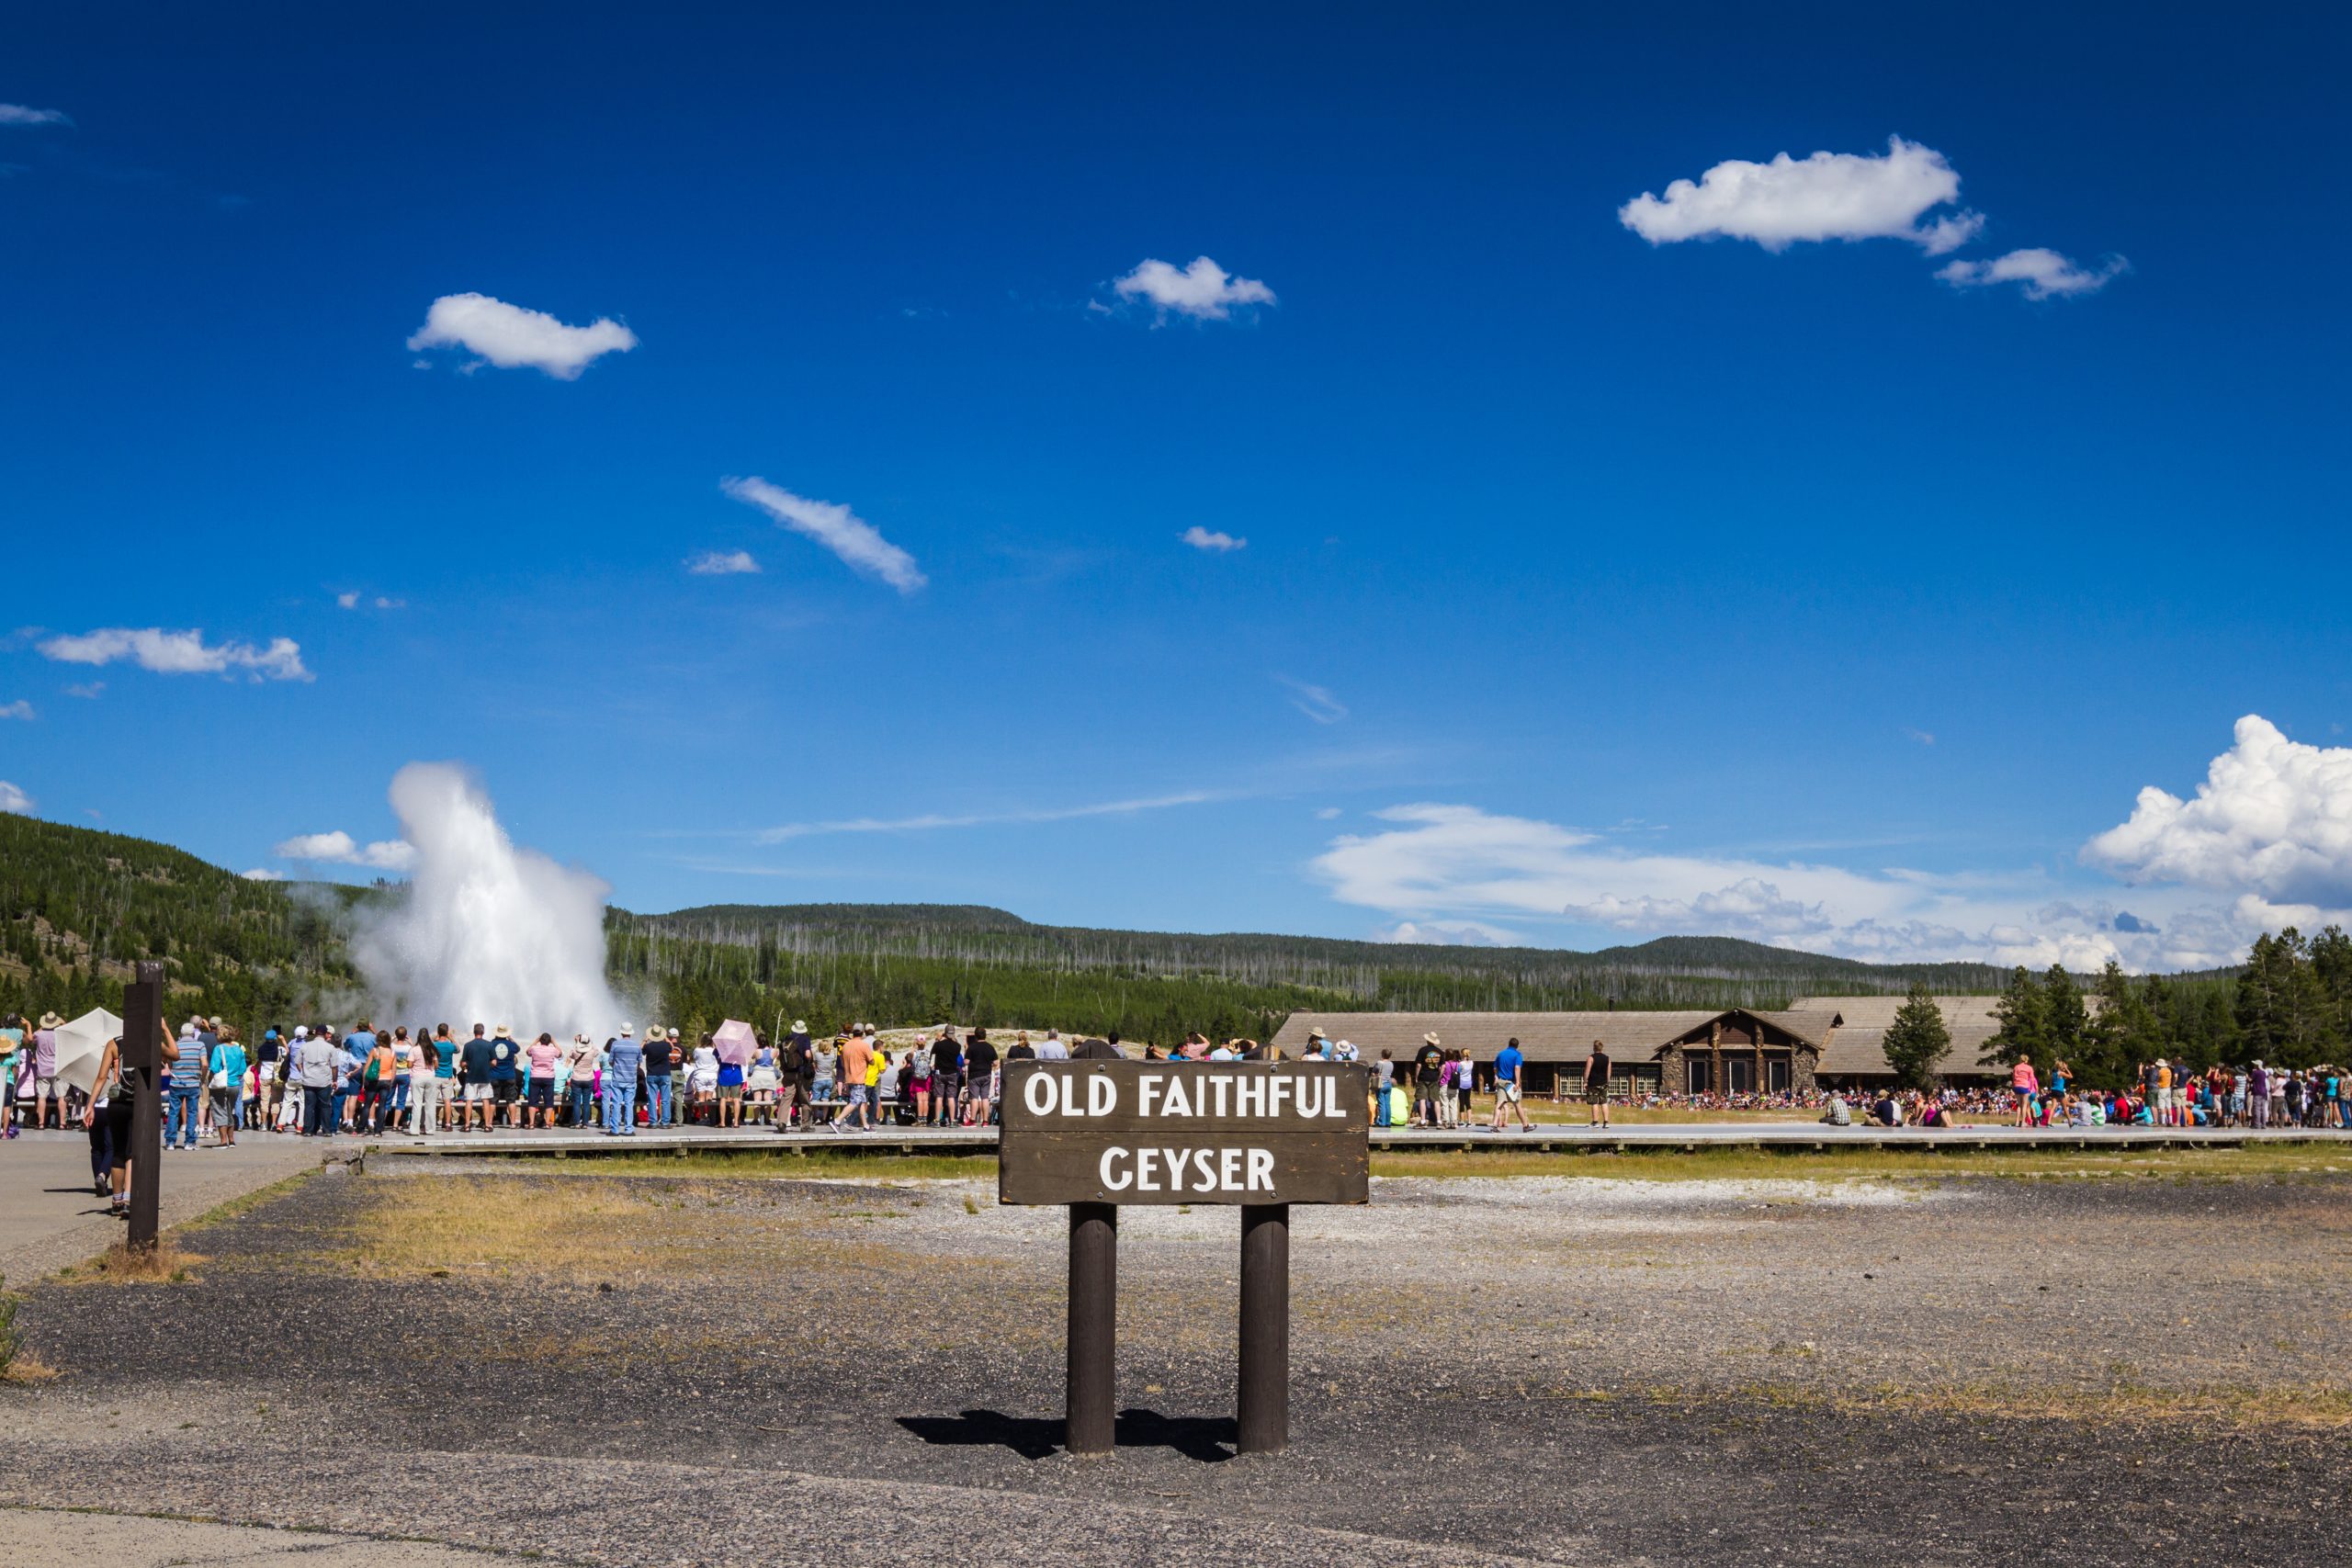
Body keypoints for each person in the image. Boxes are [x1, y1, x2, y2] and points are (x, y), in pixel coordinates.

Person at [164, 1022, 203, 1151]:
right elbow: (204, 1064)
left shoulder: (175, 1045)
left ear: (181, 1033)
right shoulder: (200, 1045)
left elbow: (169, 1064)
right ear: (193, 1033)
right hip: (193, 1082)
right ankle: (189, 1142)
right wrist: (201, 1076)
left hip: (176, 1083)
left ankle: (170, 1142)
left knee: (173, 1112)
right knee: (192, 1112)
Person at [208, 1027, 248, 1147]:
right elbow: (242, 1069)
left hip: (221, 1085)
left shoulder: (218, 1049)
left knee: (220, 1111)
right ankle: (231, 1140)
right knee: (230, 1111)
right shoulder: (238, 1049)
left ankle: (223, 1141)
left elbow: (214, 1068)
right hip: (235, 1084)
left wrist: (209, 1080)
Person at [603, 1024, 643, 1135]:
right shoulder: (636, 1046)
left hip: (617, 1079)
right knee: (629, 1104)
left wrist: (618, 1067)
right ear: (631, 1032)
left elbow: (610, 1061)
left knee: (616, 1103)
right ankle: (629, 1129)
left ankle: (615, 1129)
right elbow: (639, 1062)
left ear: (621, 1032)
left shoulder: (615, 1044)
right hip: (631, 1079)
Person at [1489, 1036, 1532, 1132]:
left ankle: (1494, 1126)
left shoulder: (1500, 1054)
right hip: (1510, 1083)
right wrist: (1517, 1082)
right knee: (1517, 1103)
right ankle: (1525, 1126)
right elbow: (1517, 1068)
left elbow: (1495, 1068)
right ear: (1517, 1046)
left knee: (1499, 1103)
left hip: (1501, 1081)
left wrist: (1496, 1077)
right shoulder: (1517, 1055)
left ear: (1508, 1044)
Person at [31, 1011, 64, 1133]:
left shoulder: (38, 1034)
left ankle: (41, 1123)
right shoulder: (60, 1035)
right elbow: (70, 1031)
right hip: (57, 1069)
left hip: (42, 1069)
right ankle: (62, 1123)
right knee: (61, 1097)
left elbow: (31, 1038)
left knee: (42, 1097)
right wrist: (62, 1023)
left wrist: (43, 1026)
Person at [525, 1032, 561, 1129]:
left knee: (532, 1101)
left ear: (540, 1040)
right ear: (550, 1041)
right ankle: (547, 1123)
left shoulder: (534, 1049)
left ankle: (531, 1123)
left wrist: (535, 1041)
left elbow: (527, 1052)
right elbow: (560, 1053)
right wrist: (554, 1042)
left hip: (535, 1076)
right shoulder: (553, 1050)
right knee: (549, 1101)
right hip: (548, 1077)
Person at [641, 1027, 676, 1129]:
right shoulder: (666, 1046)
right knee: (665, 1099)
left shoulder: (648, 1046)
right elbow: (672, 1047)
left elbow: (640, 1050)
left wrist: (645, 1040)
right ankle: (665, 1123)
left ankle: (653, 1122)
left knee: (652, 1099)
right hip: (665, 1074)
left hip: (652, 1074)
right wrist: (666, 1038)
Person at [1413, 1033, 1445, 1128]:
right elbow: (1443, 1067)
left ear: (1427, 1040)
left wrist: (1416, 1076)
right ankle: (1439, 1121)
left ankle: (1423, 1122)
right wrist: (1439, 1076)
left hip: (1423, 1077)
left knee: (1422, 1100)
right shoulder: (1440, 1052)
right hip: (1434, 1078)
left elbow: (1419, 1065)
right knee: (1436, 1100)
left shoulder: (1422, 1050)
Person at [1582, 1039, 1612, 1128]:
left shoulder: (1591, 1058)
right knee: (1604, 1102)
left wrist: (1585, 1082)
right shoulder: (1607, 1058)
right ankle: (1606, 1122)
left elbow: (1587, 1071)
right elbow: (1609, 1072)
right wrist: (1607, 1082)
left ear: (1593, 1048)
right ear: (1602, 1048)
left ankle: (1595, 1122)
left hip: (1593, 1083)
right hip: (1603, 1083)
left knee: (1594, 1102)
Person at [2009, 1056, 2040, 1128]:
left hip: (2017, 1086)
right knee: (2024, 1105)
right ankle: (2023, 1122)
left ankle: (2017, 1122)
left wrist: (2014, 1086)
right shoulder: (2029, 1068)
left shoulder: (2016, 1067)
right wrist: (2031, 1088)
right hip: (2025, 1086)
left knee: (2019, 1105)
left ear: (2020, 1059)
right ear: (2027, 1060)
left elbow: (2013, 1077)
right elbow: (2032, 1079)